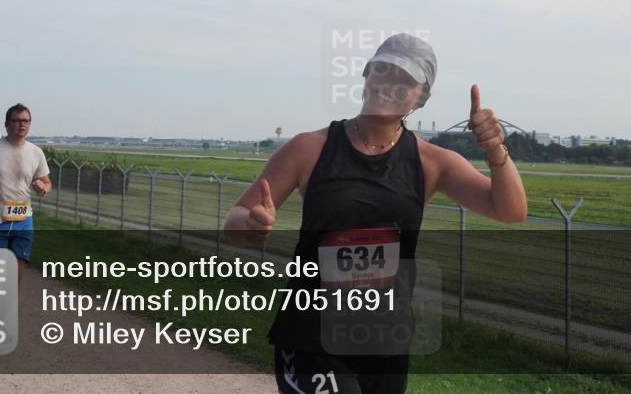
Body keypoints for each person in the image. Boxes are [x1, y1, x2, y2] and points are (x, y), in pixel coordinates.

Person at [224, 33, 528, 394]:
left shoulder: (432, 162)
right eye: (384, 71)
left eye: (406, 81)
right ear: (366, 75)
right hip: (311, 338)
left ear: (422, 98)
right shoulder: (309, 148)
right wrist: (250, 225)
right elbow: (235, 220)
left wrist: (495, 148)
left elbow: (510, 211)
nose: (391, 85)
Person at [0, 105, 51, 282]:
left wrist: (43, 187)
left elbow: (47, 182)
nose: (22, 124)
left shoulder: (36, 152)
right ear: (7, 124)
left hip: (23, 221)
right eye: (17, 120)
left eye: (26, 121)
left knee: (14, 279)